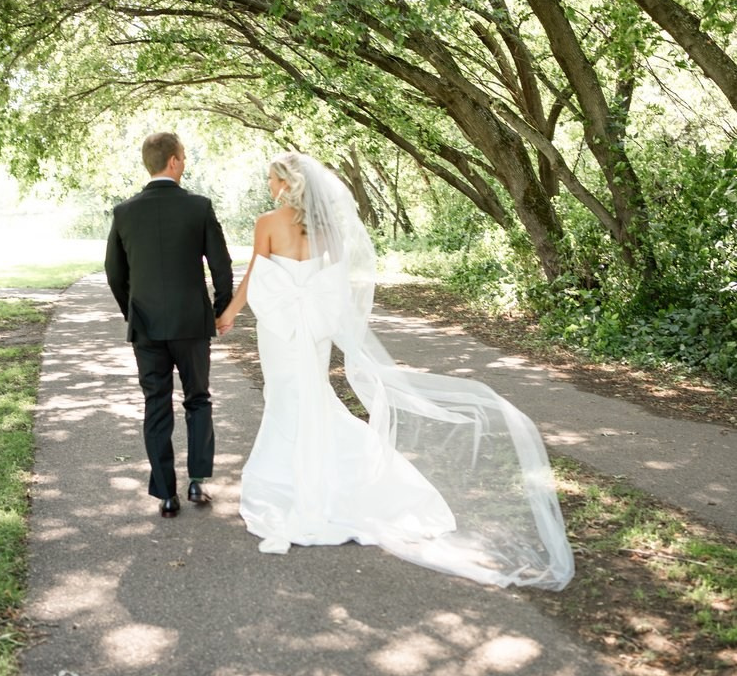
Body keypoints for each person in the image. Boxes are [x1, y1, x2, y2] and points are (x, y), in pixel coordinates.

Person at [216, 151, 574, 589]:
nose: (269, 187)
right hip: (316, 330)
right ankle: (334, 477)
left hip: (281, 329)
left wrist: (229, 313)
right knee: (314, 395)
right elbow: (336, 285)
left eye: (272, 179)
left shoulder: (266, 222)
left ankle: (290, 482)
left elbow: (255, 273)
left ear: (287, 184)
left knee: (286, 396)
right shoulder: (328, 229)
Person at [105, 132, 233, 517]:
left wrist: (134, 312)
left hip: (146, 326)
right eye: (184, 156)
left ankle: (165, 493)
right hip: (192, 323)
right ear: (174, 161)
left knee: (155, 405)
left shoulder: (125, 212)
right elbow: (222, 266)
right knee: (198, 399)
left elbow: (115, 272)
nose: (185, 161)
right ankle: (196, 482)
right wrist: (219, 308)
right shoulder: (199, 207)